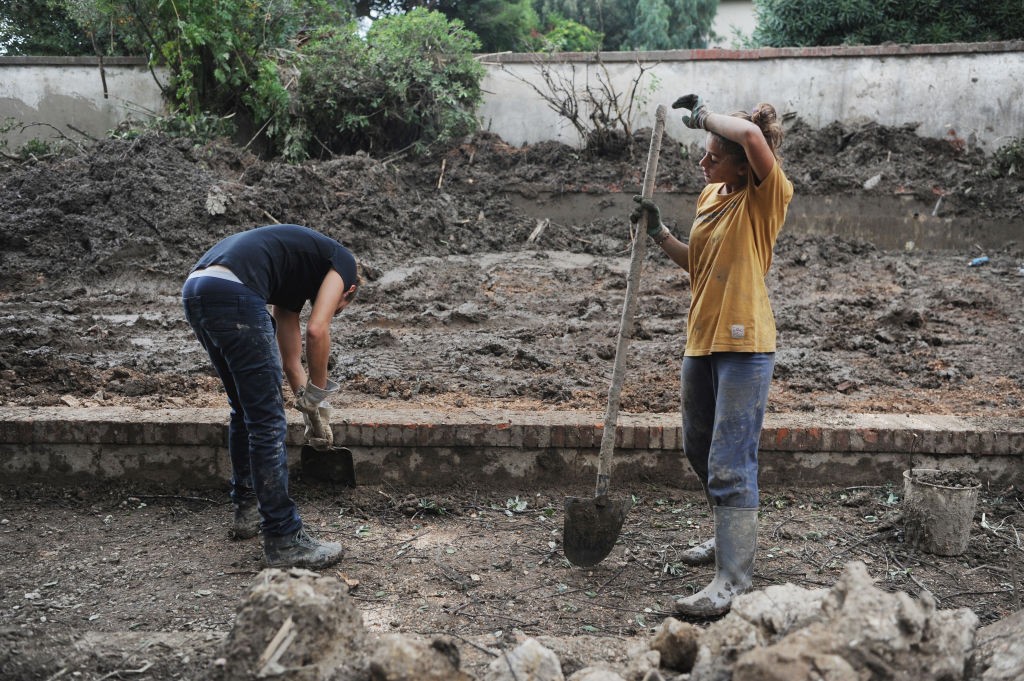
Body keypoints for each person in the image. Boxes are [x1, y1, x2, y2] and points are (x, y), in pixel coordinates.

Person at [631, 94, 793, 617]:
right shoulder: (711, 196)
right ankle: (724, 537)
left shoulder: (766, 197)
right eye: (704, 152)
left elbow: (750, 136)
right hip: (701, 340)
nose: (703, 163)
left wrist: (704, 114)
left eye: (713, 157)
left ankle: (733, 580)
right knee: (700, 450)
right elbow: (698, 263)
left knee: (730, 460)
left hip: (745, 346)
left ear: (744, 166)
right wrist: (659, 233)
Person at [181, 224, 359, 570]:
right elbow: (317, 329)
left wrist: (311, 410)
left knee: (244, 410)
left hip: (198, 289)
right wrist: (320, 395)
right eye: (339, 307)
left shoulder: (292, 275)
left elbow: (291, 359)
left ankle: (248, 510)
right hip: (234, 294)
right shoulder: (344, 263)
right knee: (266, 421)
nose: (330, 308)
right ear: (348, 291)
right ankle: (283, 537)